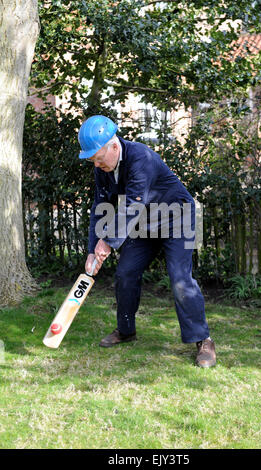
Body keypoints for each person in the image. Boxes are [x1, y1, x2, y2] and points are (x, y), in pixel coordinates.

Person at [78, 115, 216, 368]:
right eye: (92, 160)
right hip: (145, 221)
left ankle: (203, 339)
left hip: (179, 218)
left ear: (114, 146)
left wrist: (107, 242)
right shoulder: (103, 169)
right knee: (125, 274)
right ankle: (126, 330)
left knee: (180, 278)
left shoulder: (141, 157)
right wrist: (91, 250)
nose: (96, 164)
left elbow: (132, 205)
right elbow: (101, 207)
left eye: (99, 157)